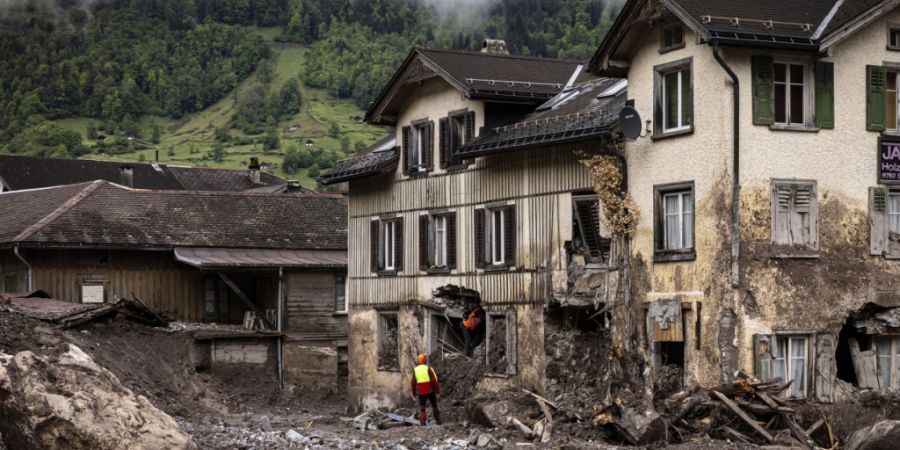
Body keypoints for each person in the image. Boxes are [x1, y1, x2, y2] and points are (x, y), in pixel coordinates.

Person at [410, 353, 441, 425]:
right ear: (425, 361)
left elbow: (412, 383)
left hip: (421, 392)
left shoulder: (415, 370)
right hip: (430, 391)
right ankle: (438, 420)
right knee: (434, 405)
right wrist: (437, 391)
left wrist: (413, 394)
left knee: (422, 408)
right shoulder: (428, 369)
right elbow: (434, 381)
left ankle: (422, 423)